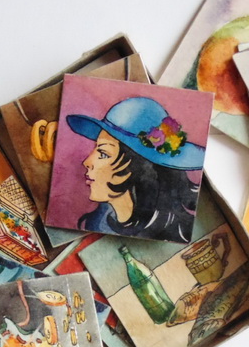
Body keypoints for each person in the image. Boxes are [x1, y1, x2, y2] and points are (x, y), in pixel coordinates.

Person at [67, 96, 205, 242]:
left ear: (138, 168)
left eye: (103, 153)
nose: (87, 162)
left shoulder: (176, 233)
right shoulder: (95, 223)